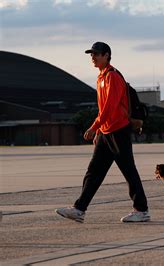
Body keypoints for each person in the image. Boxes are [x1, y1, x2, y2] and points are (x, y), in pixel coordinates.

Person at [55, 42, 150, 223]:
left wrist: (94, 127)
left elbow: (110, 107)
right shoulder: (101, 77)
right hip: (107, 132)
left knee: (128, 170)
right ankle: (79, 209)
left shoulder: (112, 77)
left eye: (97, 54)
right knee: (94, 172)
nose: (93, 57)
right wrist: (100, 131)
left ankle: (142, 210)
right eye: (91, 54)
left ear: (107, 56)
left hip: (118, 130)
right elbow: (103, 109)